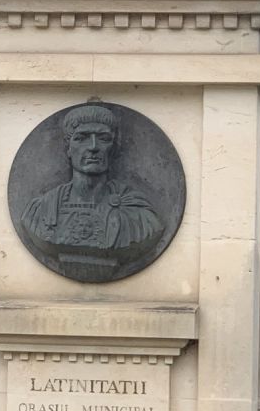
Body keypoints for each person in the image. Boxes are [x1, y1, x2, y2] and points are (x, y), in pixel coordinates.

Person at [19, 102, 163, 281]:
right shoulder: (39, 211)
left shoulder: (140, 216)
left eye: (103, 138)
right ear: (68, 148)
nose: (93, 147)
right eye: (82, 138)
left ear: (113, 147)